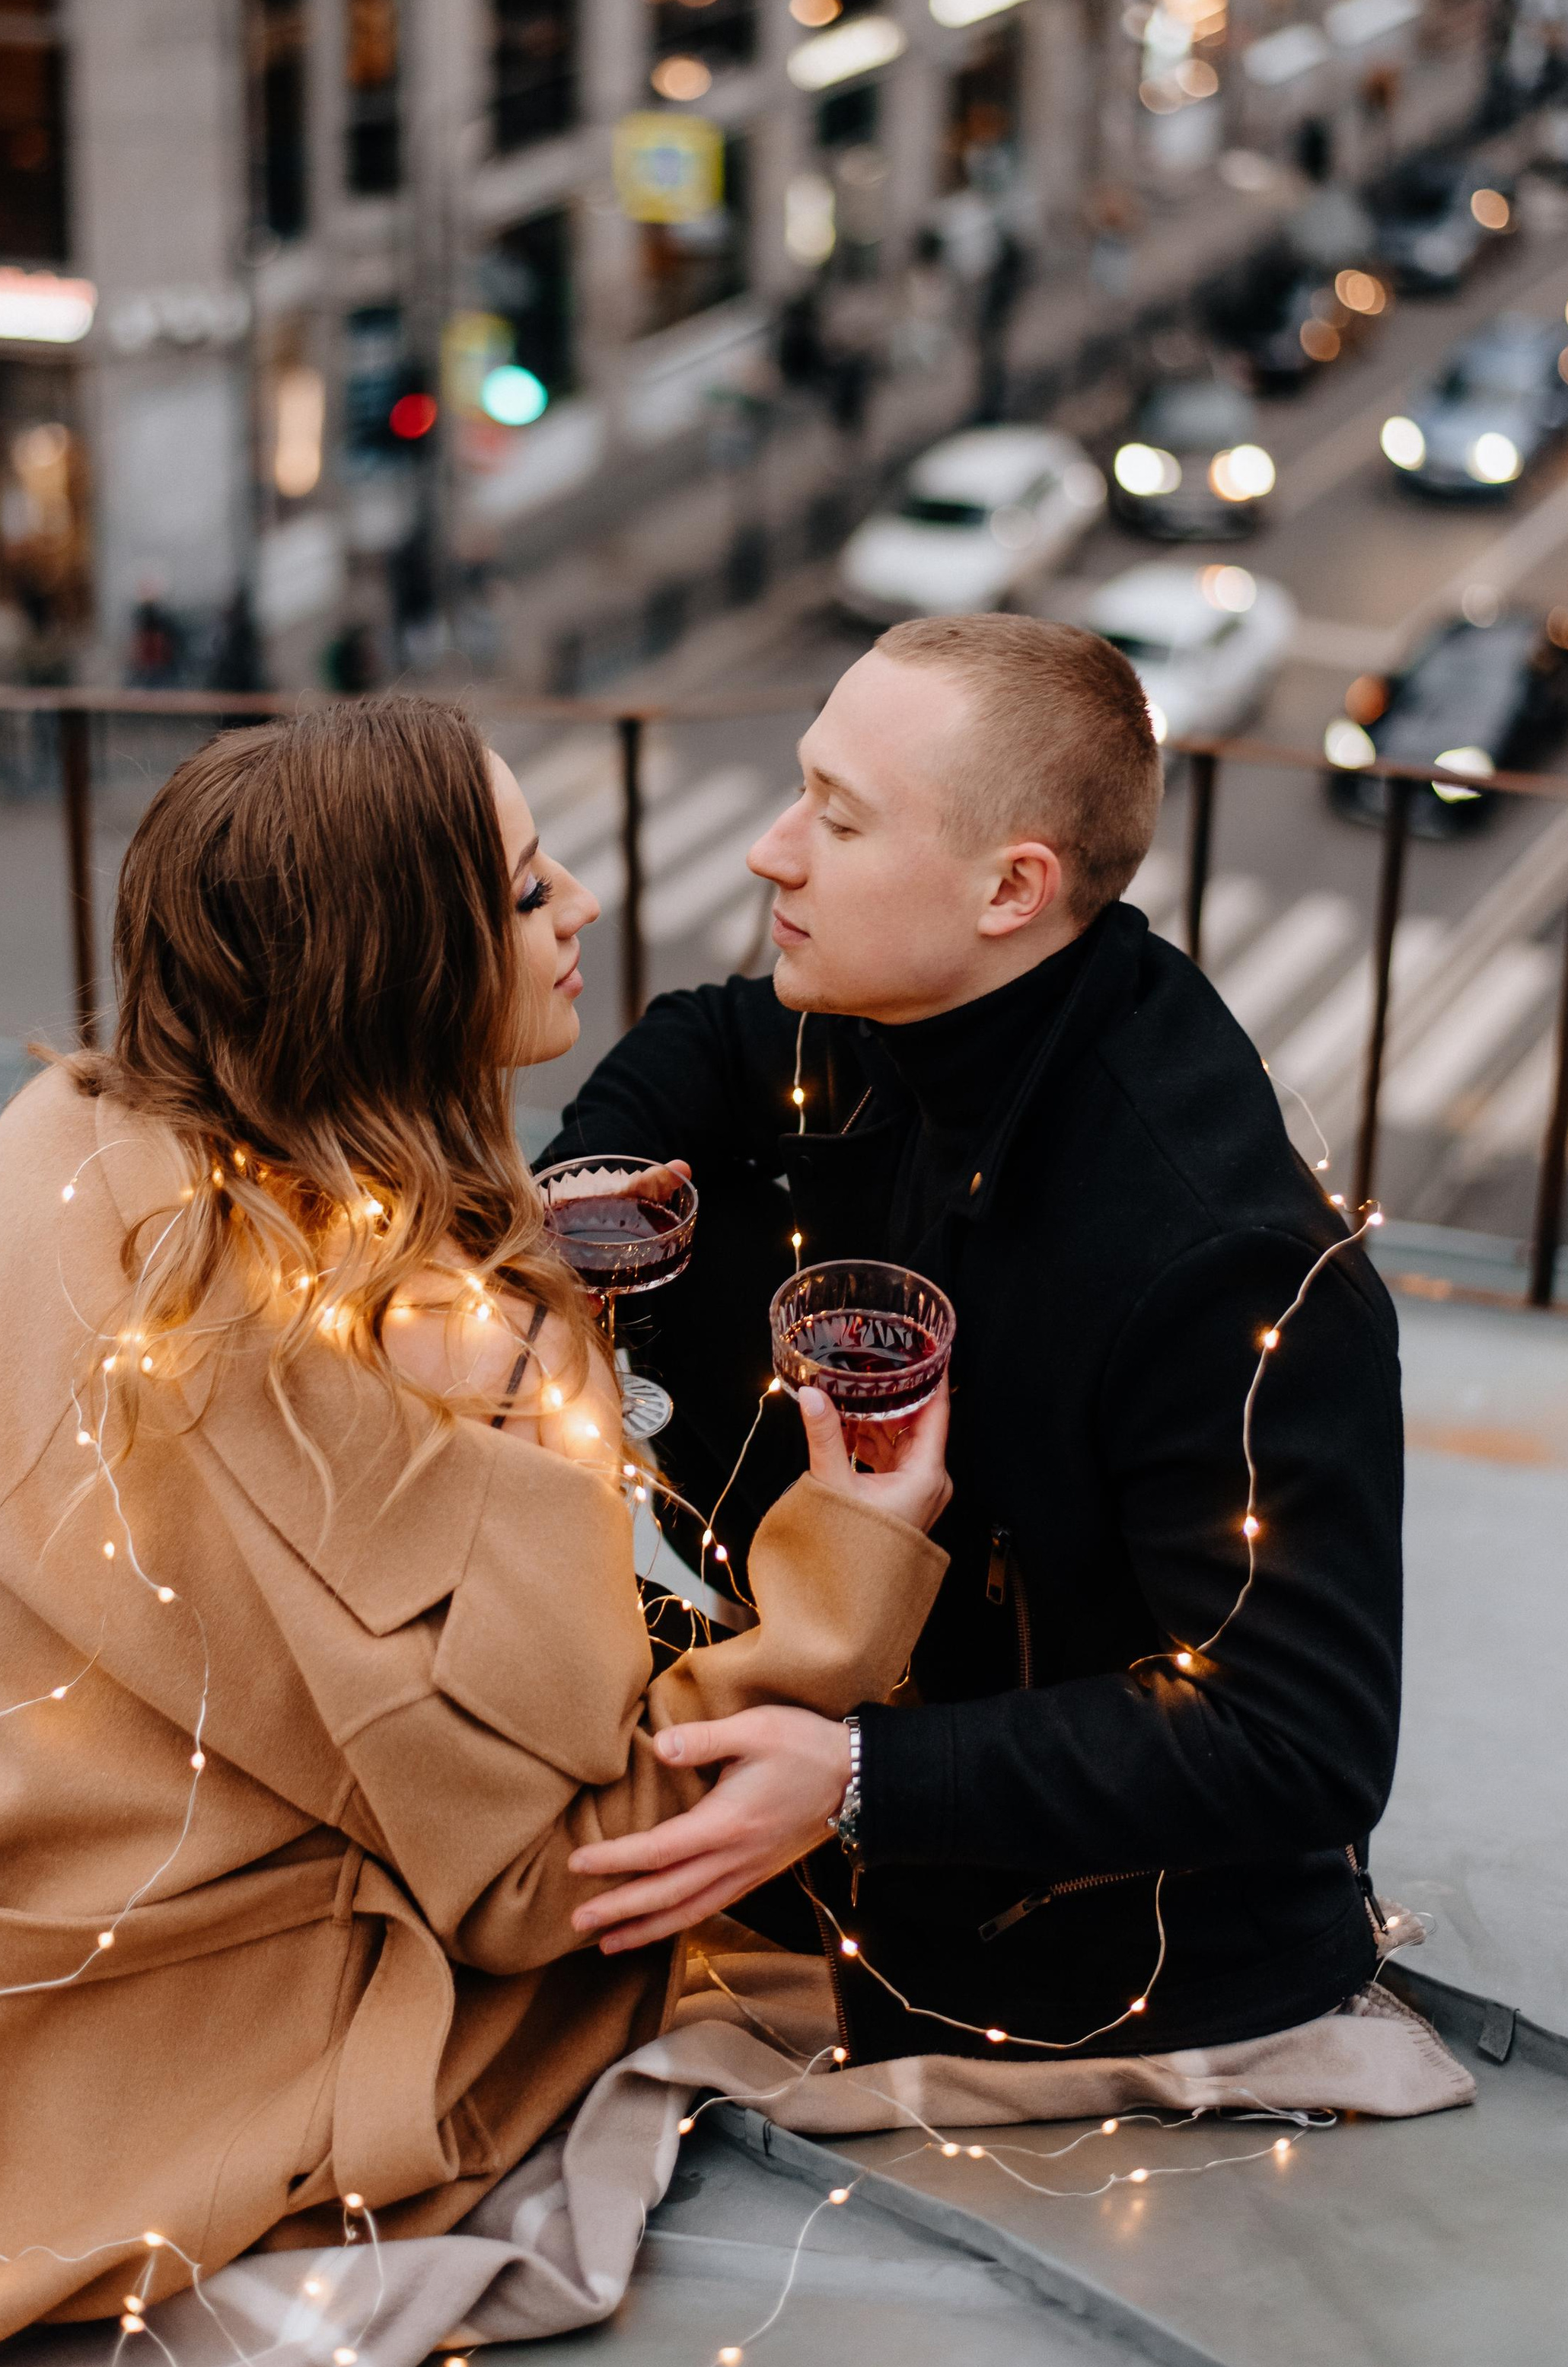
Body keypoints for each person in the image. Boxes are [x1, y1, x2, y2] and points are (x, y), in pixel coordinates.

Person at [0, 696, 947, 2359]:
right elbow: (552, 1881)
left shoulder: (70, 1131)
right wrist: (845, 1560)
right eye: (532, 894)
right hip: (106, 2008)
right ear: (403, 979)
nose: (582, 912)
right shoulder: (421, 1356)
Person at [549, 615, 1404, 2068]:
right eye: (798, 789)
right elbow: (706, 1036)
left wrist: (862, 1776)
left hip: (1093, 1968)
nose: (772, 849)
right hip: (886, 1784)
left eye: (838, 816)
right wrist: (589, 1204)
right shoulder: (937, 995)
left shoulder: (1219, 1253)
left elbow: (1300, 1735)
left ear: (1014, 887)